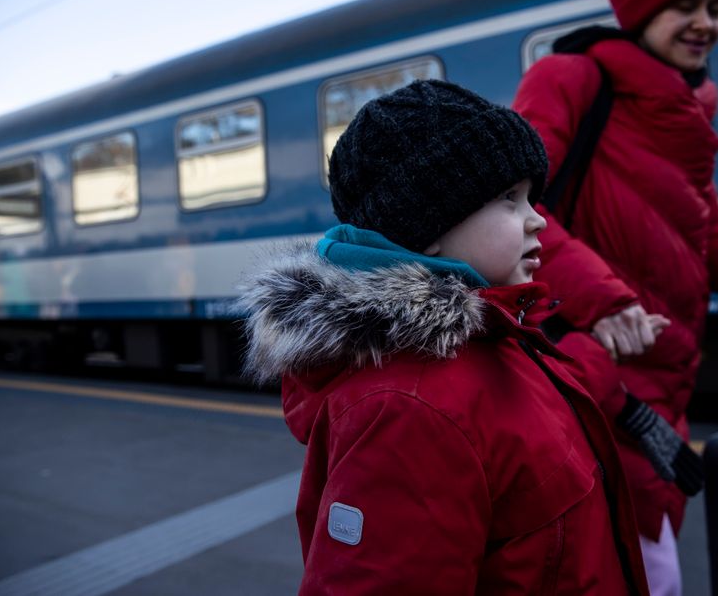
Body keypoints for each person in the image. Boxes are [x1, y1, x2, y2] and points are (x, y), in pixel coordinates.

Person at [240, 80, 650, 595]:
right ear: (428, 227)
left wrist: (600, 347)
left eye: (531, 198)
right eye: (509, 198)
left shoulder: (489, 338)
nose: (537, 219)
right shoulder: (406, 408)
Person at [513, 0, 718, 596]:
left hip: (662, 380)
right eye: (687, 5)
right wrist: (607, 298)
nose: (707, 23)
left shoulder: (686, 116)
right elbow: (514, 209)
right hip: (587, 370)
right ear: (642, 9)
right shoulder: (569, 78)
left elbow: (699, 246)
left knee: (645, 561)